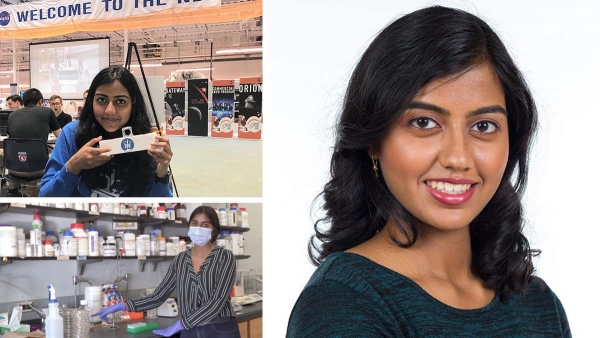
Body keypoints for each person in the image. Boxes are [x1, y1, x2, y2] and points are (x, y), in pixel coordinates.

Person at [287, 6, 571, 338]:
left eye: (483, 125)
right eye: (424, 122)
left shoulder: (538, 304)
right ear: (374, 141)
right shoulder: (341, 304)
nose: (458, 157)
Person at [92, 206, 241, 338]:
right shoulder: (180, 260)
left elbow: (217, 302)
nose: (198, 228)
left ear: (213, 229)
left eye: (205, 225)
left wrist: (179, 325)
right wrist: (123, 306)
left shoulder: (225, 257)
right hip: (189, 331)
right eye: (195, 224)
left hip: (219, 328)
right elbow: (158, 296)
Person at [39, 66, 173, 197]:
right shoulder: (72, 134)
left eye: (120, 101)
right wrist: (74, 166)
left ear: (133, 104)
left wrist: (161, 174)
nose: (109, 110)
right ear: (92, 101)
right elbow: (45, 197)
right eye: (101, 100)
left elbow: (162, 209)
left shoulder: (145, 139)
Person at [3, 88, 61, 197]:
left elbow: (9, 142)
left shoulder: (12, 115)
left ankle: (12, 190)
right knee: (40, 154)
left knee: (22, 153)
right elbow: (62, 137)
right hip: (37, 170)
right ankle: (32, 196)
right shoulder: (47, 111)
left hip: (12, 169)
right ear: (40, 101)